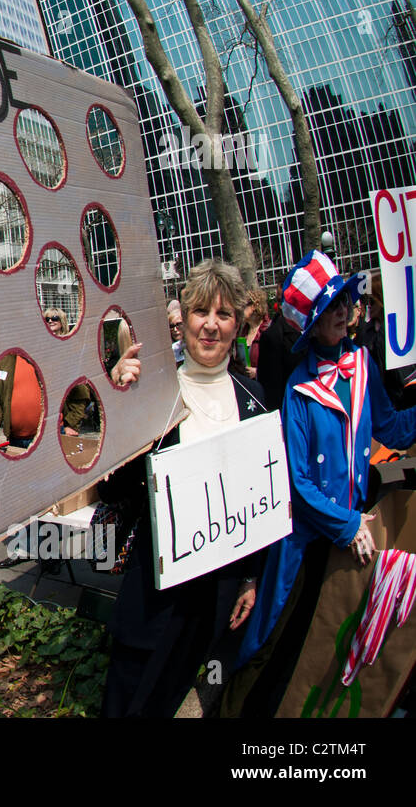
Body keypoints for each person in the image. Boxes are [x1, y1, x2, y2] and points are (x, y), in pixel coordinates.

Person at [227, 251, 416, 716]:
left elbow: (391, 430)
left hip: (351, 541)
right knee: (273, 642)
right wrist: (347, 523)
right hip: (309, 540)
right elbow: (299, 481)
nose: (342, 311)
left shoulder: (363, 365)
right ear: (311, 325)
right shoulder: (297, 386)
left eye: (344, 301)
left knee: (327, 646)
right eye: (330, 306)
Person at [100, 259, 267, 718]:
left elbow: (262, 500)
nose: (211, 325)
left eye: (224, 314)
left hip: (217, 600)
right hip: (156, 598)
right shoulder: (153, 391)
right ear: (184, 319)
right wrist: (121, 405)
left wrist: (250, 577)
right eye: (200, 312)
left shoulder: (256, 402)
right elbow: (115, 490)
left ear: (239, 323)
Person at [0, 352, 42, 450]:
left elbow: (75, 392)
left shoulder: (48, 356)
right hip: (15, 439)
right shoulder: (4, 361)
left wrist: (71, 425)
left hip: (48, 436)